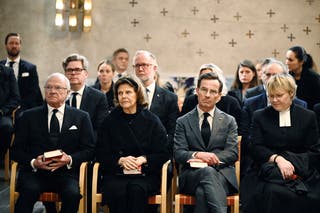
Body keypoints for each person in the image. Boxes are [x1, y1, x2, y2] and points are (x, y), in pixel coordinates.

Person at [10, 73, 95, 213]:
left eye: (57, 87)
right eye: (48, 87)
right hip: (35, 173)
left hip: (66, 174)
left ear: (67, 93)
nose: (52, 91)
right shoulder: (28, 116)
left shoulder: (81, 117)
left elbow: (90, 149)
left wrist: (69, 159)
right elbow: (16, 150)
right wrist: (33, 162)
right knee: (27, 192)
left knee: (72, 195)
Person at [241, 73, 320, 213]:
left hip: (302, 170)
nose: (274, 100)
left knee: (311, 197)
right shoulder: (260, 116)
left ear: (291, 93)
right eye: (271, 96)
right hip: (267, 169)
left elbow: (314, 151)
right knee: (272, 193)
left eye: (279, 95)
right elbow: (255, 147)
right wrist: (278, 159)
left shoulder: (308, 116)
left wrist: (292, 164)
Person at [96, 76, 169, 213]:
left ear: (137, 94)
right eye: (120, 93)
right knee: (118, 190)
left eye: (128, 92)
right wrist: (120, 160)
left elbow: (163, 153)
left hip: (145, 174)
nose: (123, 96)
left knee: (136, 189)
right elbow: (101, 153)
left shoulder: (152, 120)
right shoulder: (109, 121)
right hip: (117, 173)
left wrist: (144, 159)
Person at [174, 72, 239, 213]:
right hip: (191, 175)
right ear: (197, 91)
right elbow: (179, 153)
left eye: (213, 91)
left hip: (222, 175)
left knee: (202, 193)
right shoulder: (183, 121)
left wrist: (211, 160)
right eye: (204, 89)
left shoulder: (229, 121)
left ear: (219, 96)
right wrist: (198, 155)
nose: (207, 95)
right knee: (207, 173)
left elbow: (232, 153)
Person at [241, 60, 307, 177]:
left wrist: (288, 160)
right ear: (261, 76)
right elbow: (248, 140)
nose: (272, 79)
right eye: (268, 74)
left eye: (276, 75)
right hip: (261, 161)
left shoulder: (301, 107)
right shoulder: (252, 106)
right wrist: (274, 158)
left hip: (295, 163)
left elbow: (307, 146)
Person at [133, 50, 179, 154]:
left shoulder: (169, 98)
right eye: (137, 65)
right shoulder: (127, 96)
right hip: (131, 154)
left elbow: (173, 132)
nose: (140, 69)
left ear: (155, 68)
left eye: (144, 65)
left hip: (159, 153)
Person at [62, 53, 108, 135]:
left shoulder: (98, 97)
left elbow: (101, 129)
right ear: (65, 74)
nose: (73, 73)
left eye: (78, 70)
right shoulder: (57, 96)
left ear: (86, 74)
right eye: (69, 70)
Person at [0, 32, 43, 114]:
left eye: (17, 43)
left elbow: (34, 92)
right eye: (11, 43)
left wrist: (20, 107)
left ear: (20, 46)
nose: (14, 46)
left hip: (24, 109)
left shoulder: (30, 68)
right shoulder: (0, 66)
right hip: (3, 109)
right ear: (6, 45)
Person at [286, 46, 320, 110]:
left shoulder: (314, 78)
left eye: (290, 60)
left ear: (301, 62)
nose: (286, 62)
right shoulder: (287, 76)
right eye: (286, 59)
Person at [0, 64, 20, 159]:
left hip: (2, 113)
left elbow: (16, 98)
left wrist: (3, 111)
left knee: (7, 127)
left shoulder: (7, 72)